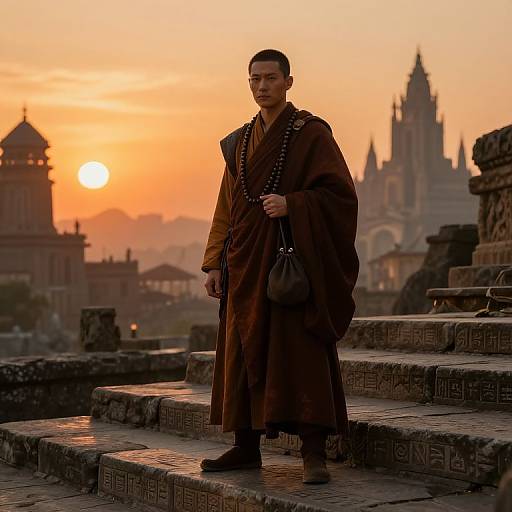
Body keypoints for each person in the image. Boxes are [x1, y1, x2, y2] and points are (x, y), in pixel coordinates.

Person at [200, 49, 359, 484]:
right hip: (245, 263)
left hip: (290, 265)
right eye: (254, 79)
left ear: (289, 82)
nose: (262, 86)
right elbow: (226, 208)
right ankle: (245, 446)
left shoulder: (309, 134)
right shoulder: (239, 142)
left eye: (270, 78)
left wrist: (294, 204)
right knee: (242, 350)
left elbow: (340, 195)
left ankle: (313, 453)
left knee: (298, 350)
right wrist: (214, 262)